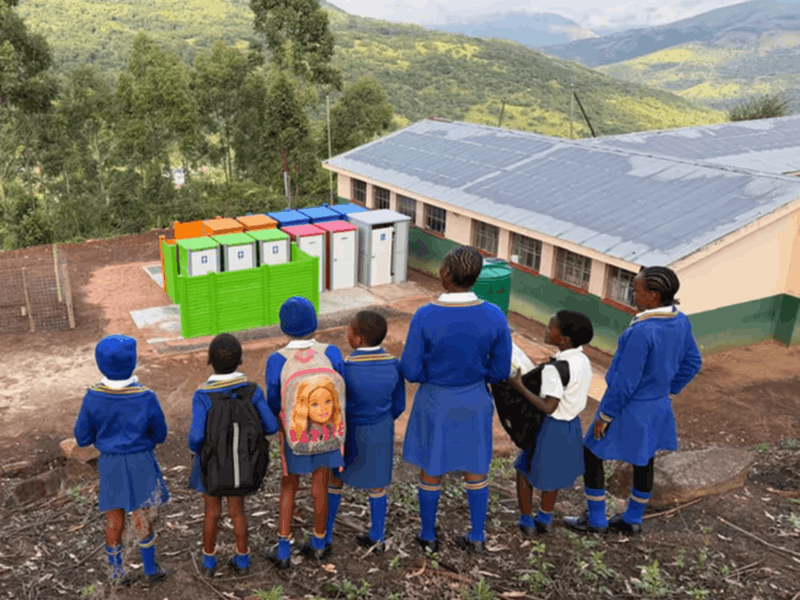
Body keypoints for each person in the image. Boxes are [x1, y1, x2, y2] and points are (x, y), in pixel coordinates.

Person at [564, 266, 702, 535]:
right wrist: (669, 391)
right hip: (657, 405)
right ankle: (632, 519)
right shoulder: (680, 320)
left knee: (591, 453)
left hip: (630, 407)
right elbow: (693, 361)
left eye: (636, 289)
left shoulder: (642, 331)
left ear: (652, 295)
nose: (632, 293)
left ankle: (596, 519)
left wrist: (605, 416)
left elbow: (625, 383)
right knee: (644, 459)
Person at [401, 246, 513, 554]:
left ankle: (427, 535)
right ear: (475, 277)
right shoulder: (494, 314)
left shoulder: (425, 315)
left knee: (431, 466)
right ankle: (476, 536)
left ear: (446, 274)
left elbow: (410, 369)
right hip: (474, 398)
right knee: (476, 467)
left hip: (435, 400)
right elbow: (501, 369)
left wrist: (431, 373)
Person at [73, 335, 169, 586]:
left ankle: (117, 573)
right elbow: (160, 434)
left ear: (100, 364)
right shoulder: (146, 396)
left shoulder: (93, 396)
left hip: (111, 463)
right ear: (133, 361)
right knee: (142, 516)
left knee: (114, 518)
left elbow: (82, 437)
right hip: (141, 461)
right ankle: (150, 569)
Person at [188, 333, 279, 578]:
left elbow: (195, 438)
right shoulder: (251, 390)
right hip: (241, 464)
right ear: (240, 361)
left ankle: (208, 563)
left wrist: (197, 451)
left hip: (210, 466)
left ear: (209, 361)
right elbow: (270, 426)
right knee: (238, 511)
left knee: (211, 512)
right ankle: (243, 559)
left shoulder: (203, 395)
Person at [265, 296, 346, 569]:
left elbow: (274, 400)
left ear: (283, 327)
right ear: (315, 323)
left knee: (289, 485)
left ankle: (284, 548)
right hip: (328, 433)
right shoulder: (331, 353)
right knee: (320, 485)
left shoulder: (277, 360)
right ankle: (320, 543)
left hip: (294, 433)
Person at [325, 311, 406, 553]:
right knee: (378, 485)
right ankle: (377, 535)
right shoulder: (394, 364)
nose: (346, 334)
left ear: (357, 339)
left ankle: (325, 534)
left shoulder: (345, 367)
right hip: (380, 431)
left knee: (335, 478)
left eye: (349, 331)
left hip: (348, 432)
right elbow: (399, 405)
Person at [508, 311, 594, 535]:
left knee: (524, 470)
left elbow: (548, 406)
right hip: (571, 426)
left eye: (551, 327)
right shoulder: (583, 360)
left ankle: (527, 521)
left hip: (551, 427)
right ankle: (545, 518)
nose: (546, 329)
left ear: (564, 339)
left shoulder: (554, 369)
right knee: (553, 477)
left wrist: (519, 386)